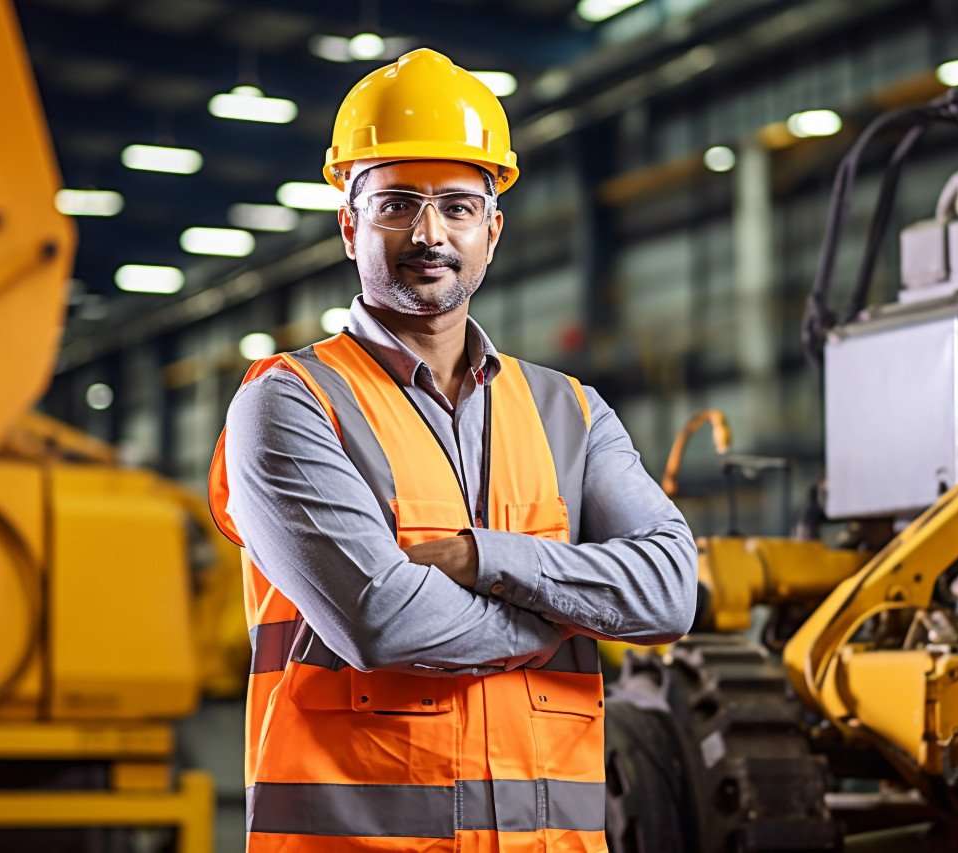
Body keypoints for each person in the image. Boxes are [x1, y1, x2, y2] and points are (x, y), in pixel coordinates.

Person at [208, 48, 697, 853]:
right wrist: (568, 617)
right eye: (398, 203)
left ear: (492, 231)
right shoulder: (291, 402)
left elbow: (672, 591)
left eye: (459, 206)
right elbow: (379, 619)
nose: (429, 233)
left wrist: (484, 560)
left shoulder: (570, 410)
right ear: (350, 225)